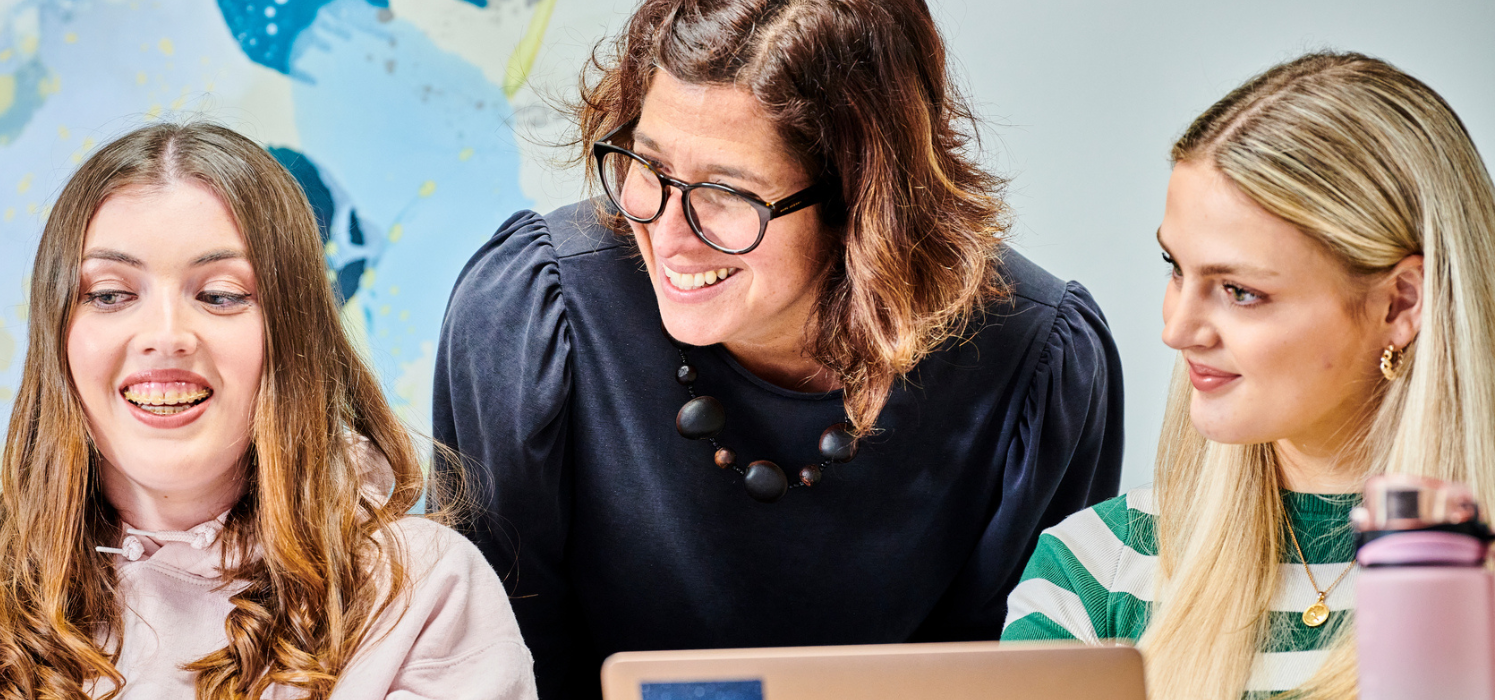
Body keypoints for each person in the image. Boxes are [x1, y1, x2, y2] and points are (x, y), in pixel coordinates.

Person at [434, 0, 1125, 696]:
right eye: (647, 165)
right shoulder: (527, 316)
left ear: (864, 204)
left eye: (727, 193)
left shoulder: (1040, 366)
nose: (669, 235)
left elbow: (1014, 679)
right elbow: (501, 670)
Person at [0, 123, 534, 700]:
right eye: (112, 295)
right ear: (58, 337)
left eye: (219, 295)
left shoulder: (420, 593)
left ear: (293, 335)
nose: (166, 337)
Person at [1002, 52, 1495, 699]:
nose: (1177, 329)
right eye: (1176, 267)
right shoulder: (1094, 571)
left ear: (1400, 303)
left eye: (1239, 291)